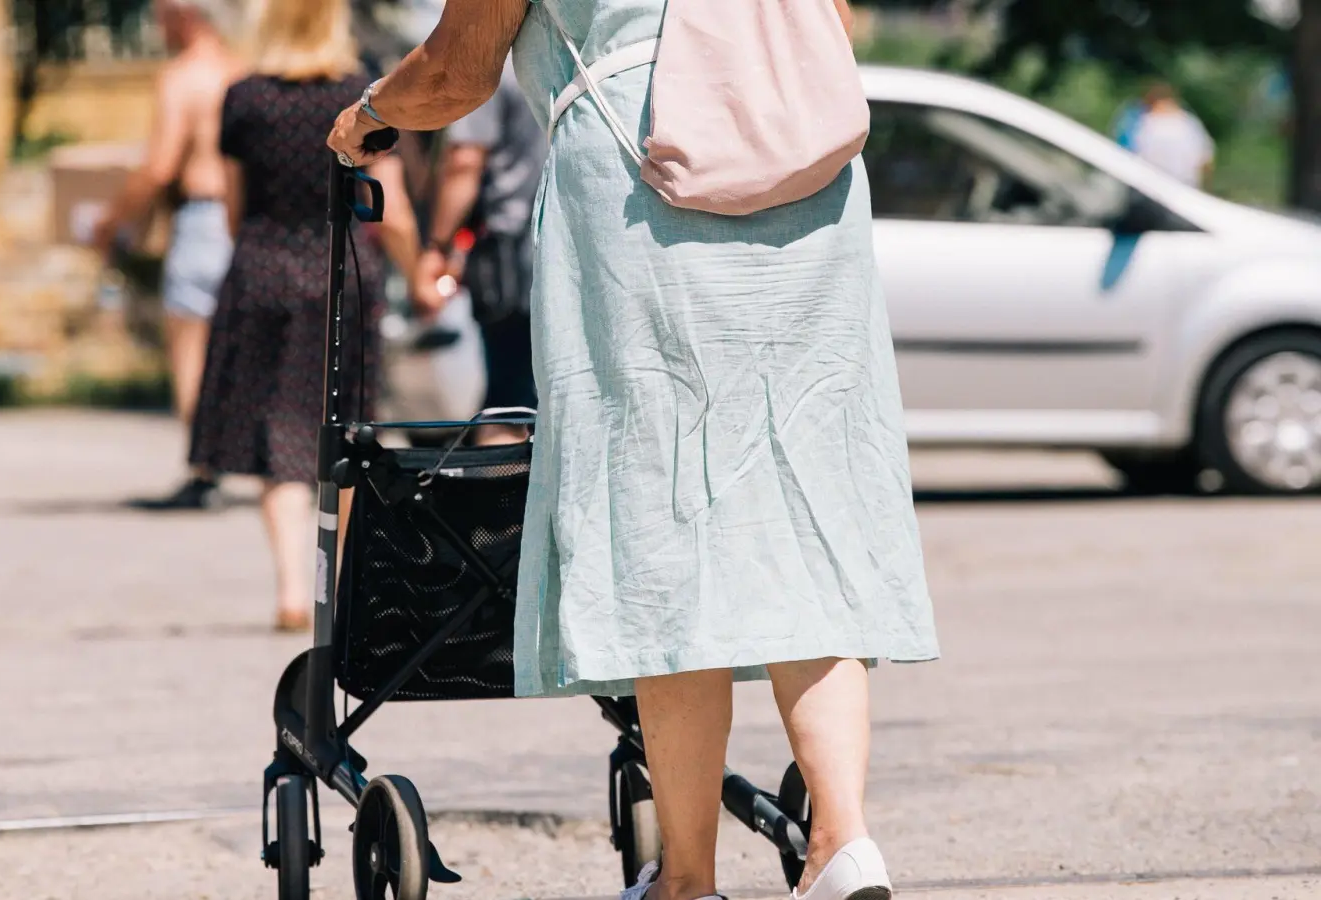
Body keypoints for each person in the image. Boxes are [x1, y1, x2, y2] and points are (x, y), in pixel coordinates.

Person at [329, 1, 939, 899]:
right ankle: (842, 843)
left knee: (664, 520)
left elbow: (460, 70)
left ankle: (687, 878)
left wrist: (368, 115)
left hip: (644, 173)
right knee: (811, 504)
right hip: (802, 165)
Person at [191, 0, 419, 632]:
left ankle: (293, 589)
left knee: (277, 433)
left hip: (263, 271)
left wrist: (262, 253)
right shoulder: (363, 98)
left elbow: (235, 208)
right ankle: (340, 588)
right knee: (342, 429)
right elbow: (392, 210)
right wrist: (420, 269)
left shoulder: (244, 99)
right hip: (340, 276)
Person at [93, 0, 243, 511]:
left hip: (202, 220)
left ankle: (204, 473)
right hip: (247, 223)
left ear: (187, 14)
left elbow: (159, 166)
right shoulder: (244, 72)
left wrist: (112, 221)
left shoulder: (183, 78)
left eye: (161, 12)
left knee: (191, 353)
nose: (155, 23)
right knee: (246, 353)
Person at [414, 58, 547, 446]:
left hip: (513, 255)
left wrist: (437, 246)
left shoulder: (492, 67)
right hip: (574, 246)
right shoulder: (571, 53)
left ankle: (501, 504)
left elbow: (464, 162)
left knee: (507, 403)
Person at [1129, 81, 1216, 189]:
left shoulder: (1147, 124)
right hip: (1186, 187)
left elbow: (1137, 155)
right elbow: (1206, 160)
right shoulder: (1190, 122)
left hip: (1154, 187)